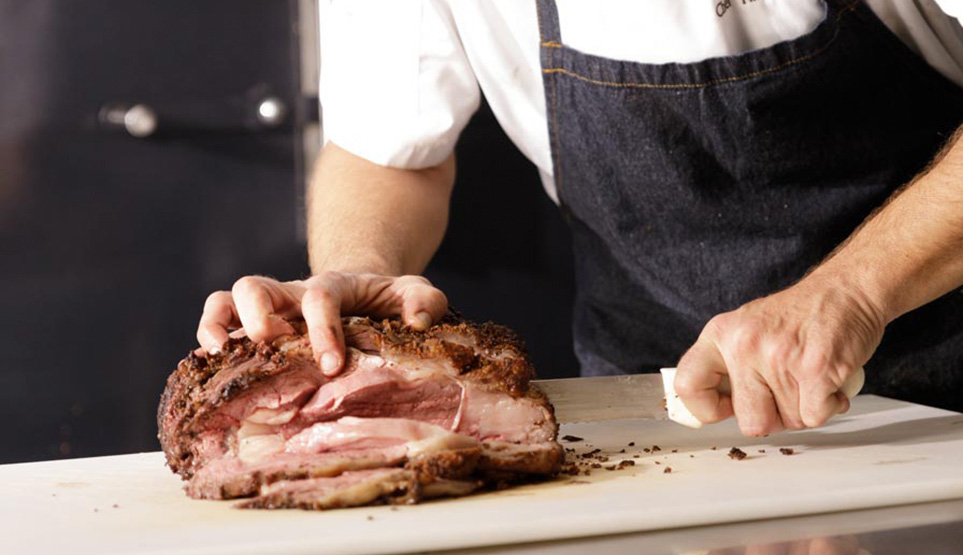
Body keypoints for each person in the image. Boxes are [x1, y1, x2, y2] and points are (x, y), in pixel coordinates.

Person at [197, 0, 963, 436]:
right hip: (656, 410)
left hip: (939, 402)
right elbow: (389, 147)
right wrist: (362, 262)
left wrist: (852, 294)